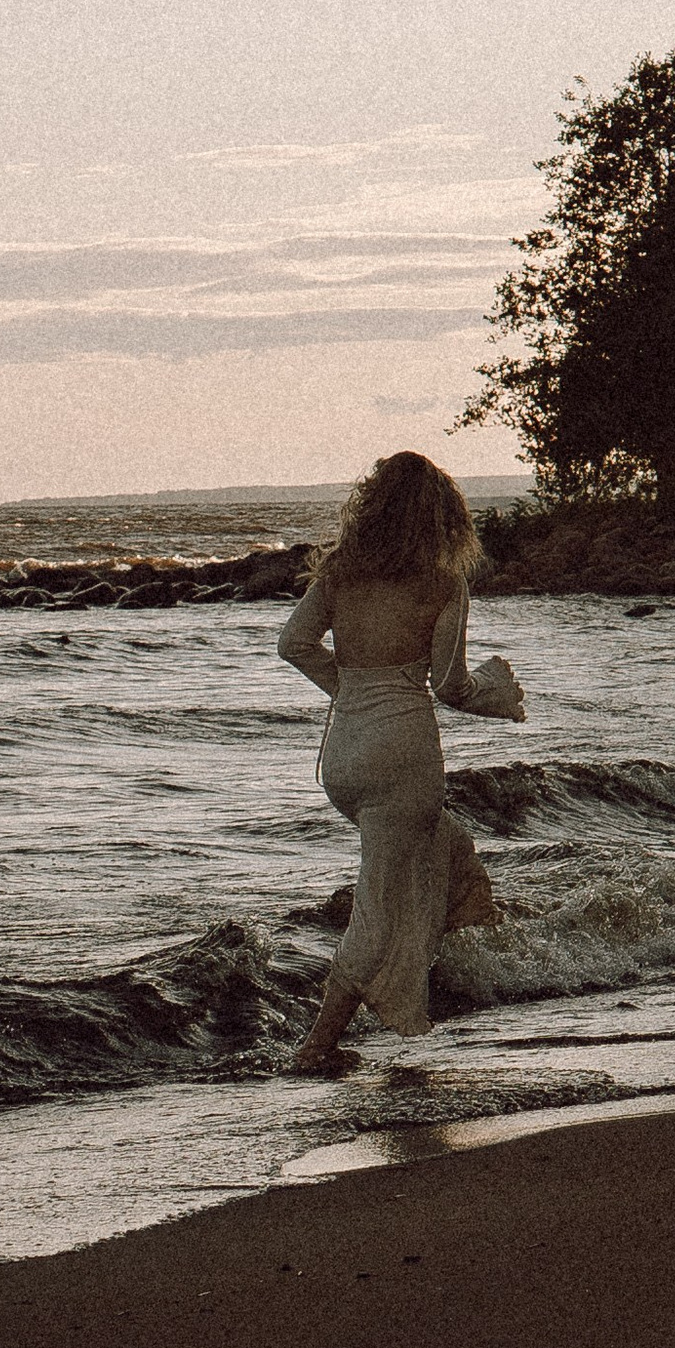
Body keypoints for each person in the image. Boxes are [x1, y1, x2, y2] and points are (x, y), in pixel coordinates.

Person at [278, 453, 526, 1075]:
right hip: (402, 754)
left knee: (447, 847)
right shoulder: (444, 583)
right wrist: (500, 697)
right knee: (379, 905)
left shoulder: (340, 572)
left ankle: (439, 987)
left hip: (343, 757)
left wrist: (351, 692)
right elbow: (449, 685)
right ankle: (316, 1046)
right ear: (442, 516)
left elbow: (292, 644)